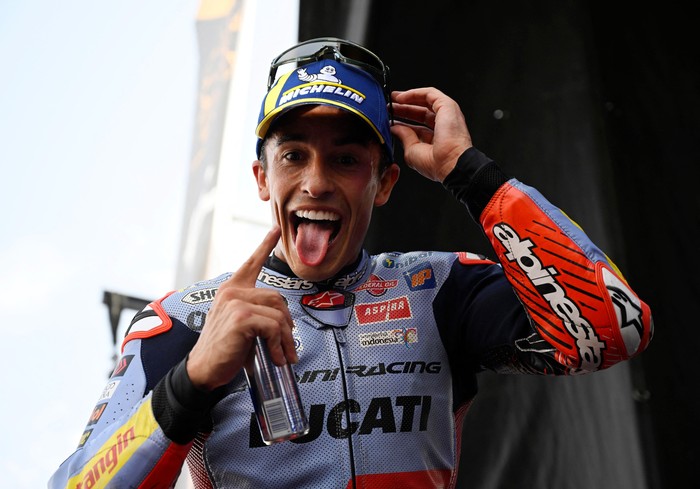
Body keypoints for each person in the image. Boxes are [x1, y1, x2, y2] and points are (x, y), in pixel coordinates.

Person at [49, 37, 653, 489]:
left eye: (344, 159)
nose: (314, 182)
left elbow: (615, 329)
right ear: (262, 179)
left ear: (384, 181)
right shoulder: (181, 323)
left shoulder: (438, 291)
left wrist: (470, 175)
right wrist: (191, 383)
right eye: (292, 156)